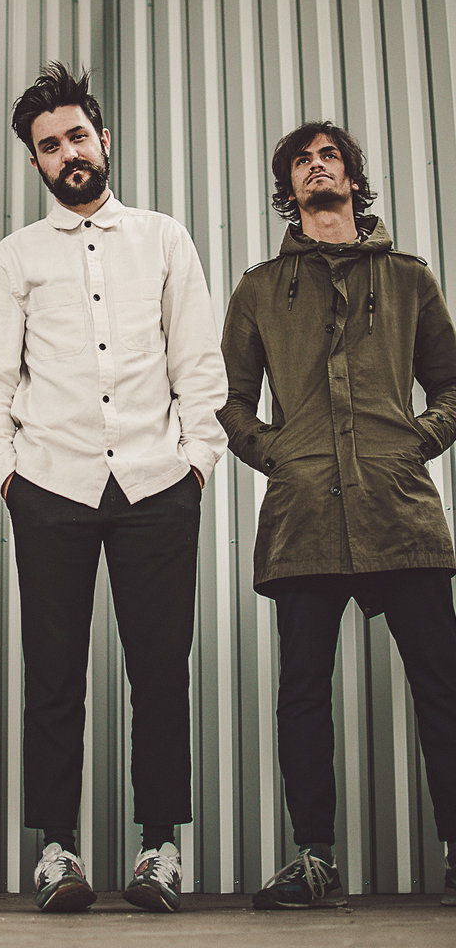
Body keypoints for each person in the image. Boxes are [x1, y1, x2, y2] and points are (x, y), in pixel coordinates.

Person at [0, 62, 227, 913]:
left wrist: (196, 463)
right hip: (50, 487)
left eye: (77, 136)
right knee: (52, 676)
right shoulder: (16, 257)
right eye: (50, 146)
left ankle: (160, 849)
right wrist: (8, 477)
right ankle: (57, 851)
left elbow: (199, 365)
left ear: (104, 140)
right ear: (36, 162)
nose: (67, 153)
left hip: (157, 484)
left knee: (160, 672)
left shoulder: (164, 239)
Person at [218, 121, 456, 909]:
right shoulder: (259, 288)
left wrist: (418, 441)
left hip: (400, 510)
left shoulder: (411, 279)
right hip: (305, 516)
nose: (317, 167)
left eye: (330, 157)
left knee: (443, 683)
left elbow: (451, 383)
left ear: (353, 178)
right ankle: (313, 859)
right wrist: (281, 456)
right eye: (301, 160)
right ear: (288, 187)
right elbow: (229, 400)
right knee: (302, 691)